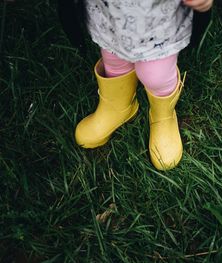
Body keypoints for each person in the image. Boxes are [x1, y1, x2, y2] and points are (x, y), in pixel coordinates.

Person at [57, 0, 213, 170]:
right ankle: (118, 107)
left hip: (158, 19)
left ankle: (163, 115)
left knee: (156, 75)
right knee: (113, 57)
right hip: (110, 12)